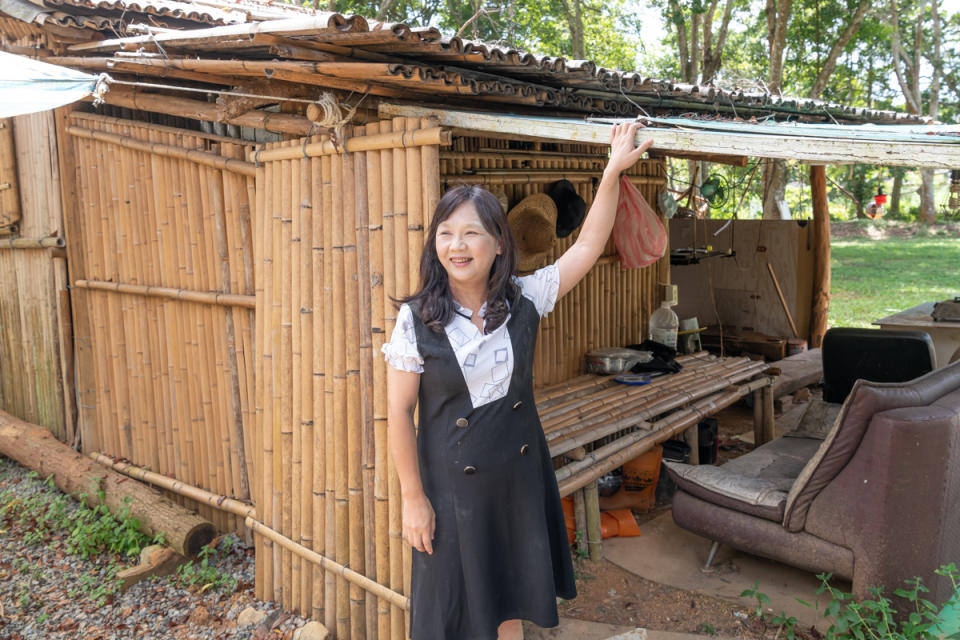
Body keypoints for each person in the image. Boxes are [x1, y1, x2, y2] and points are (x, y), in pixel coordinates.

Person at [383, 123, 653, 640]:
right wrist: (412, 498)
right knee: (449, 605)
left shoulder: (526, 298)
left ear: (499, 245)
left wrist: (612, 172)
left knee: (506, 602)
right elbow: (398, 412)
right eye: (446, 234)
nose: (456, 246)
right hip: (449, 488)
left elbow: (591, 244)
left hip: (515, 477)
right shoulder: (415, 320)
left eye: (471, 234)